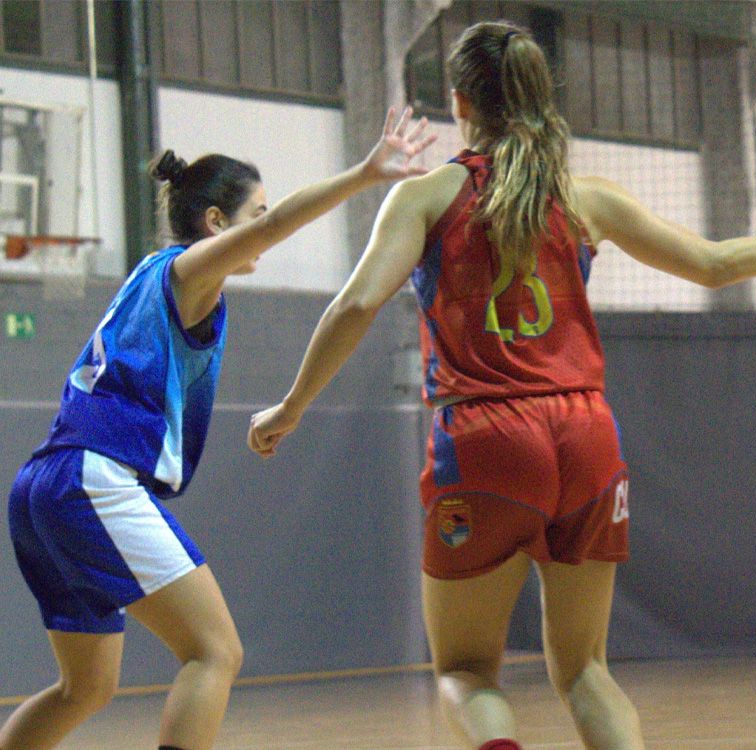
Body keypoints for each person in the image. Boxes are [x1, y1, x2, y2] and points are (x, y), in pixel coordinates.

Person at [246, 20, 756, 750]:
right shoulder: (588, 199)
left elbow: (357, 304)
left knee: (464, 671)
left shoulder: (427, 196)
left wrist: (291, 406)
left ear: (460, 101)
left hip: (486, 436)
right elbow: (714, 265)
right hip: (586, 435)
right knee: (585, 670)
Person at [1, 106, 434, 750]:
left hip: (43, 486)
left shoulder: (153, 279)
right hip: (93, 477)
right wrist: (366, 174)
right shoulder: (186, 272)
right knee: (215, 652)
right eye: (253, 215)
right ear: (215, 225)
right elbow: (284, 223)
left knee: (84, 689)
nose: (263, 226)